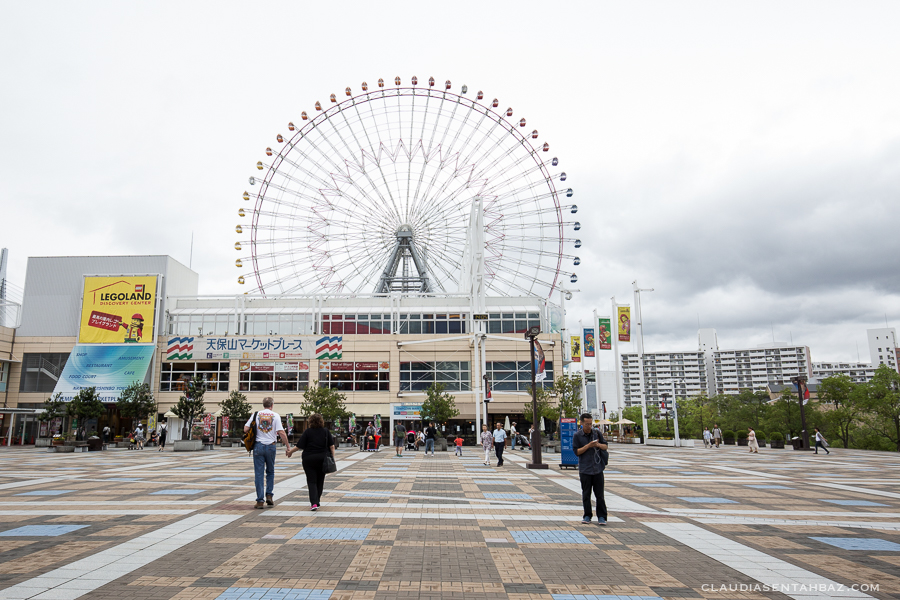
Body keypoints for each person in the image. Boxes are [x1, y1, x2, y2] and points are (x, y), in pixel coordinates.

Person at [244, 397, 290, 509]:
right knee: (270, 471)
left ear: (263, 404)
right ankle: (269, 495)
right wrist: (288, 446)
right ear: (272, 405)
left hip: (258, 446)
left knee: (259, 474)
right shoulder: (276, 416)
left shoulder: (256, 414)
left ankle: (260, 501)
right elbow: (281, 433)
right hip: (271, 446)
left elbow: (245, 429)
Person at [286, 412, 335, 511]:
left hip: (309, 459)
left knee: (311, 481)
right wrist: (332, 458)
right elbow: (332, 446)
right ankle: (317, 501)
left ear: (310, 422)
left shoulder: (307, 432)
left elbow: (299, 446)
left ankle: (314, 503)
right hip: (322, 459)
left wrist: (290, 452)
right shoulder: (326, 431)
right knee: (320, 481)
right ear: (321, 421)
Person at [573, 413, 608, 525]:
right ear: (581, 423)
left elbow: (605, 446)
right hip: (585, 469)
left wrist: (597, 445)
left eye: (590, 424)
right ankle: (587, 515)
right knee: (586, 494)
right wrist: (588, 446)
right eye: (587, 424)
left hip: (597, 468)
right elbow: (577, 452)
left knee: (600, 495)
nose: (589, 426)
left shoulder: (597, 433)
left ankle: (602, 516)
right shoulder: (577, 436)